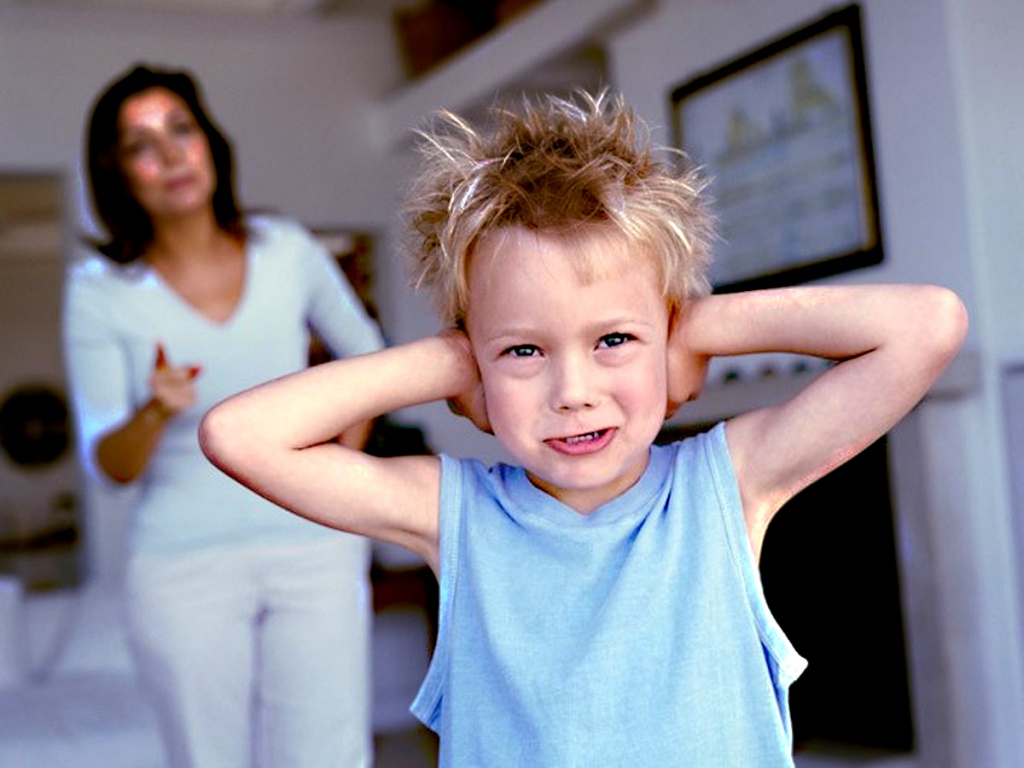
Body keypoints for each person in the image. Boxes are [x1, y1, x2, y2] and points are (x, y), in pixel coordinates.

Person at [199, 91, 968, 766]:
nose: (574, 392)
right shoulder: (455, 516)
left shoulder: (725, 484)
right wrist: (450, 362)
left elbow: (928, 325)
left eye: (613, 341)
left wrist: (693, 331)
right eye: (525, 350)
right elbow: (239, 435)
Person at [63, 64, 384, 768]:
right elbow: (107, 466)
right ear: (117, 173)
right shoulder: (101, 292)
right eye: (142, 144)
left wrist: (337, 473)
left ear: (210, 141)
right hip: (183, 569)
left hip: (314, 548)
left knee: (328, 755)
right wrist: (154, 410)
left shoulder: (286, 250)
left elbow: (369, 362)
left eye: (183, 129)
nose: (172, 154)